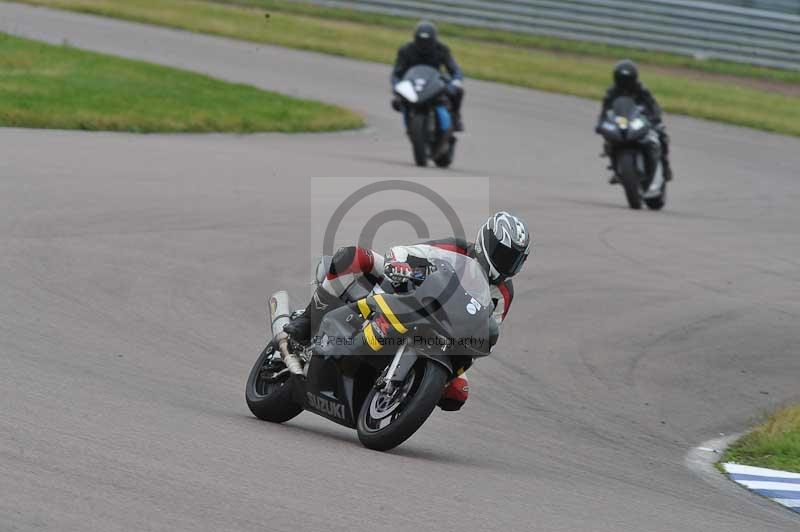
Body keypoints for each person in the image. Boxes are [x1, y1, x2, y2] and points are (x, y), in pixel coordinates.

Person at [284, 212, 532, 411]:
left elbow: (486, 328)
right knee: (355, 256)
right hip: (406, 291)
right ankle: (308, 321)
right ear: (487, 241)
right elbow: (406, 252)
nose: (508, 264)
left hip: (443, 331)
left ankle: (408, 390)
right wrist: (399, 265)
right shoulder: (456, 249)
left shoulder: (503, 293)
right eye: (505, 254)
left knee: (457, 393)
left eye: (515, 260)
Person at [597, 59, 673, 183]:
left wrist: (655, 117)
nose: (625, 83)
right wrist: (601, 123)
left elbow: (653, 106)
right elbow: (605, 110)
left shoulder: (642, 90)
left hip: (641, 120)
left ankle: (665, 166)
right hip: (621, 121)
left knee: (661, 135)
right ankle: (617, 168)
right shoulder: (611, 92)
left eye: (627, 80)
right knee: (609, 139)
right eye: (622, 80)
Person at [391, 20, 465, 132]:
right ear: (415, 38)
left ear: (434, 40)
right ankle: (410, 122)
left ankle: (455, 118)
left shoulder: (442, 49)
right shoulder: (406, 50)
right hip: (413, 84)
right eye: (421, 42)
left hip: (435, 83)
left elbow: (454, 69)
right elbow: (397, 73)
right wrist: (397, 86)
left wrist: (455, 82)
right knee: (397, 102)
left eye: (427, 42)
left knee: (458, 92)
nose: (424, 45)